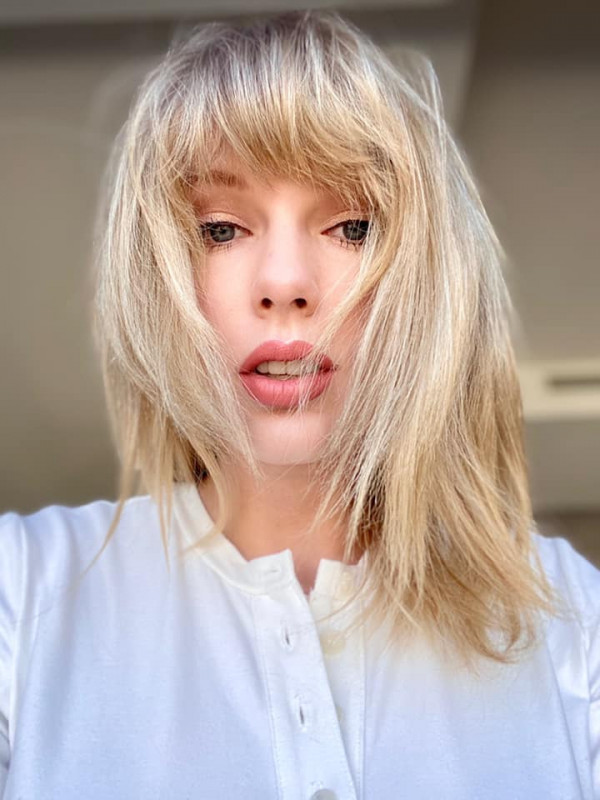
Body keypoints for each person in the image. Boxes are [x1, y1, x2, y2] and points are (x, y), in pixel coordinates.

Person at [0, 10, 598, 799]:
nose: (285, 282)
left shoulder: (567, 618)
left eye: (352, 226)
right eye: (221, 230)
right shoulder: (24, 596)